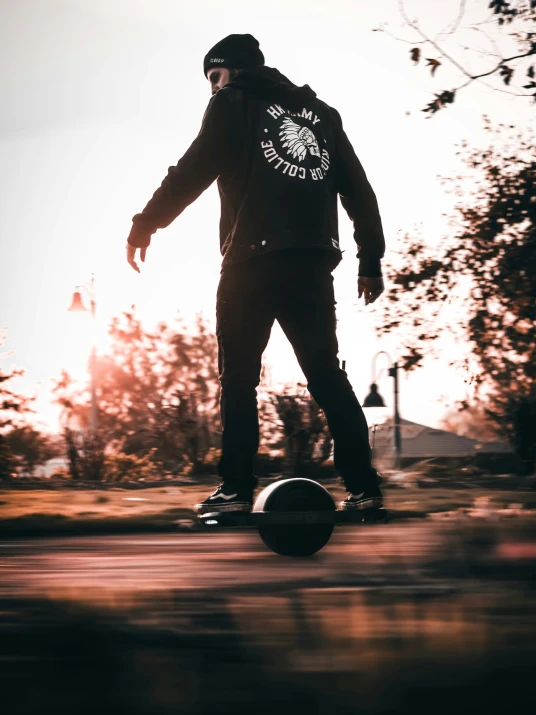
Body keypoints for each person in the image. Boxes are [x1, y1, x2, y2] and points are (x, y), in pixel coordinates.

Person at [126, 33, 386, 514]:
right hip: (312, 262)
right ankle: (365, 490)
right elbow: (360, 191)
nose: (211, 87)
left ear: (233, 71)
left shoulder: (232, 103)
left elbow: (191, 170)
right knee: (327, 375)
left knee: (239, 379)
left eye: (214, 76)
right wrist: (370, 260)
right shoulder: (323, 115)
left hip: (251, 260)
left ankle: (236, 490)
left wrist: (145, 224)